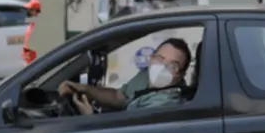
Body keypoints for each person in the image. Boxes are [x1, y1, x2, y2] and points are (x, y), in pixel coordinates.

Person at [59, 38, 191, 115]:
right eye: (160, 59)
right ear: (151, 59)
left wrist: (90, 117)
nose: (162, 68)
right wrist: (84, 89)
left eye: (172, 66)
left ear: (181, 75)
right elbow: (119, 97)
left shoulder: (167, 103)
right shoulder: (145, 77)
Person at [22, 0, 40, 65]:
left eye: (30, 9)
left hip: (33, 62)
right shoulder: (32, 23)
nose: (28, 11)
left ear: (35, 11)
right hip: (29, 61)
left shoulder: (38, 26)